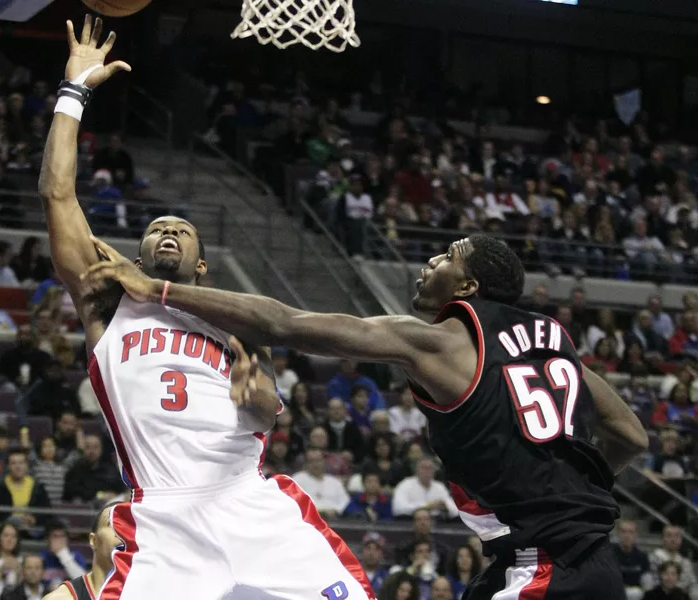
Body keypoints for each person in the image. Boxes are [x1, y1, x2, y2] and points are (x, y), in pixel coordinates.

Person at [85, 231, 649, 600]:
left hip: (541, 565)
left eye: (447, 256)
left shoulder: (438, 342)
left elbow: (283, 323)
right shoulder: (555, 344)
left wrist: (156, 289)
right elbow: (629, 434)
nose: (431, 261)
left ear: (469, 287)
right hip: (587, 561)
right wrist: (576, 487)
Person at [38, 16, 373, 599]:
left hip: (247, 497)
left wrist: (255, 398)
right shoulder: (104, 301)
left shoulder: (236, 319)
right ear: (136, 256)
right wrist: (74, 93)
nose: (168, 231)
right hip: (164, 517)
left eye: (182, 231)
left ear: (200, 266)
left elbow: (268, 416)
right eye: (157, 228)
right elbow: (57, 194)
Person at [42, 502, 120, 600]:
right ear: (93, 540)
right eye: (112, 524)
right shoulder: (42, 558)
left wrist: (63, 554)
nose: (122, 532)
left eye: (62, 536)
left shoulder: (76, 556)